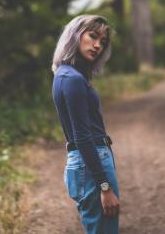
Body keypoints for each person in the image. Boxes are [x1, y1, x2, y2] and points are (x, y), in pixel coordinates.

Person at [51, 14, 120, 234]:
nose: (98, 45)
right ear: (75, 35)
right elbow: (82, 136)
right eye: (93, 36)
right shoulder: (71, 78)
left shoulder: (67, 75)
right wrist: (104, 185)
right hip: (91, 161)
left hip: (86, 161)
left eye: (103, 41)